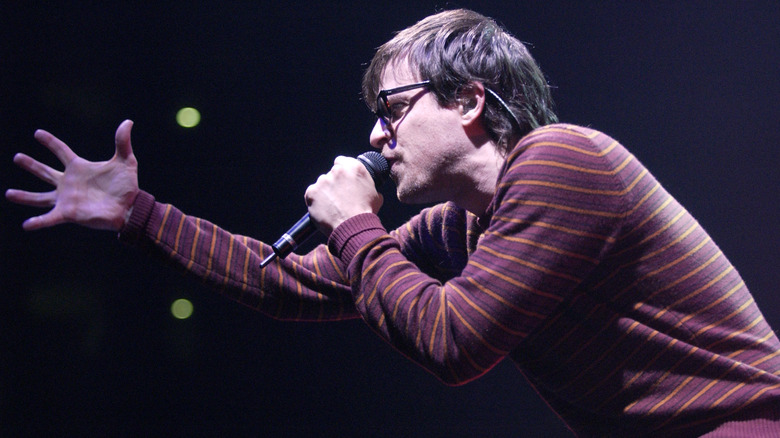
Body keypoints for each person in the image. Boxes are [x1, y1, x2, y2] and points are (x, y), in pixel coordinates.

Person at [7, 8, 779, 437]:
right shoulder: (463, 224)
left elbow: (453, 342)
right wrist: (138, 214)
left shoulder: (562, 161)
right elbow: (293, 287)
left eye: (392, 111)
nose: (377, 137)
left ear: (471, 101)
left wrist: (354, 222)